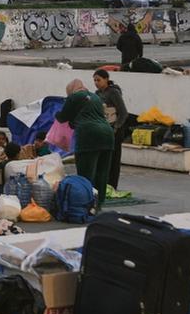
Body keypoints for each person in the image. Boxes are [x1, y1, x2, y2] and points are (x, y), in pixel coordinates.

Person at [55, 80, 116, 215]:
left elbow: (63, 117)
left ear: (71, 90)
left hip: (89, 135)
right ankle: (99, 204)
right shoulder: (96, 97)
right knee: (102, 172)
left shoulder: (74, 97)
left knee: (86, 173)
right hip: (107, 134)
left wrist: (55, 115)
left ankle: (86, 204)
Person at [92, 68, 133, 200]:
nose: (96, 83)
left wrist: (116, 127)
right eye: (94, 80)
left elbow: (123, 112)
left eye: (98, 80)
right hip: (102, 129)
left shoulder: (113, 93)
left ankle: (112, 186)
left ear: (106, 79)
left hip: (115, 130)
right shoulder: (97, 94)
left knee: (114, 159)